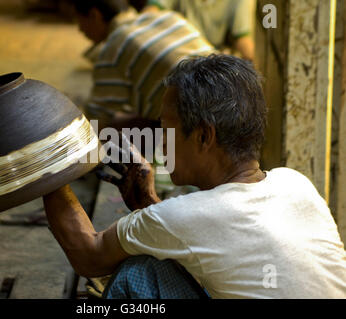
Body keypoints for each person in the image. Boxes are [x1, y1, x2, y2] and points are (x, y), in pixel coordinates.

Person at [42, 54, 346, 298]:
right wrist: (149, 202)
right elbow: (208, 242)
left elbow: (89, 256)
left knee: (139, 274)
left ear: (203, 136)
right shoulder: (295, 183)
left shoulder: (185, 216)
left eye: (167, 129)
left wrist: (45, 164)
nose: (161, 143)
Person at [72, 0, 215, 129]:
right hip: (232, 92)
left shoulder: (114, 46)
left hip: (202, 121)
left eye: (79, 20)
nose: (80, 29)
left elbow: (97, 121)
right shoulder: (169, 17)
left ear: (94, 15)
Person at [145, 0, 256, 62]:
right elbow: (152, 11)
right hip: (176, 53)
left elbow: (243, 38)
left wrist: (252, 65)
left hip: (210, 58)